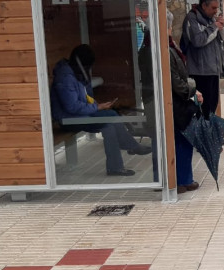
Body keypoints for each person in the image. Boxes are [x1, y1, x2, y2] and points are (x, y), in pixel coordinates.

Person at [50, 44, 150, 177]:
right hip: (68, 119)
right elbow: (72, 107)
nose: (88, 69)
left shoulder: (74, 73)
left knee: (110, 121)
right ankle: (130, 148)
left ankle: (119, 162)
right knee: (110, 120)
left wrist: (96, 104)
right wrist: (97, 107)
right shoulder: (65, 78)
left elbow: (84, 97)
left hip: (79, 115)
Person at [168, 10, 203, 193]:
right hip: (175, 104)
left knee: (182, 141)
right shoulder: (165, 50)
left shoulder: (166, 46)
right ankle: (181, 180)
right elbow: (176, 82)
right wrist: (193, 88)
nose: (171, 28)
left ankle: (183, 179)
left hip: (176, 102)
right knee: (183, 140)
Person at [181, 0, 224, 116]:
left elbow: (222, 38)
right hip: (199, 72)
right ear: (204, 6)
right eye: (213, 8)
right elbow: (198, 40)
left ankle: (210, 132)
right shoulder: (192, 18)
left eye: (217, 8)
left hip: (213, 70)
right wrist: (214, 27)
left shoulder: (211, 19)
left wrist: (221, 27)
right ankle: (204, 133)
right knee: (203, 108)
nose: (215, 11)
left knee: (212, 105)